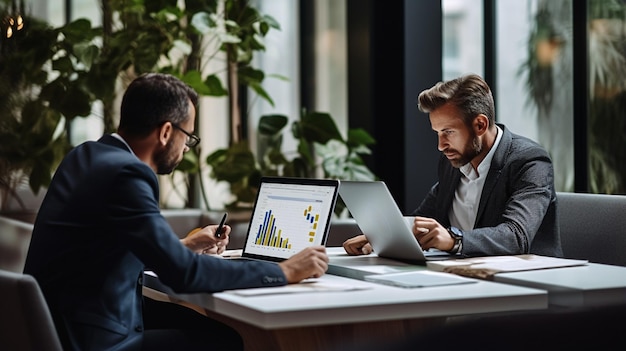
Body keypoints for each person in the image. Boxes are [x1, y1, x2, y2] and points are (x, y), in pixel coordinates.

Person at [23, 73, 329, 351]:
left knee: (202, 326)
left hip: (64, 322)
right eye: (189, 136)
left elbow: (101, 249)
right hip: (94, 338)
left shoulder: (87, 154)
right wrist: (284, 271)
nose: (187, 147)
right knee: (224, 340)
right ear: (167, 132)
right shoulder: (128, 173)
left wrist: (185, 246)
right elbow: (184, 274)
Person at [343, 74, 562, 258]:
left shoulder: (529, 161)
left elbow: (516, 236)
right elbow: (424, 219)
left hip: (529, 284)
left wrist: (454, 240)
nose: (440, 145)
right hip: (468, 276)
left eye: (448, 132)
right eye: (437, 133)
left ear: (480, 124)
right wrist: (385, 236)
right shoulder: (453, 162)